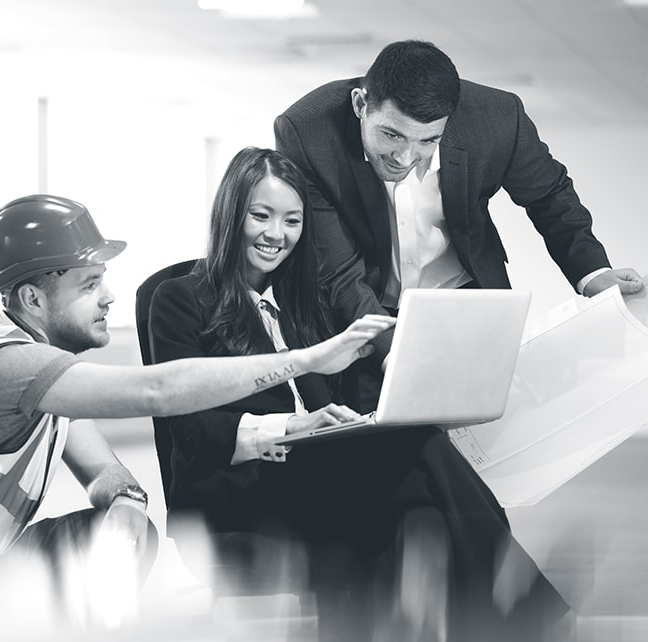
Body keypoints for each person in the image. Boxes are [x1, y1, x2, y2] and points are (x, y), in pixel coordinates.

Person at [0, 194, 394, 639]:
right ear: (32, 299)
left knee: (125, 531)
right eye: (89, 284)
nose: (109, 297)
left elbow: (105, 472)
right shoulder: (9, 367)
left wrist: (126, 503)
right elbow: (154, 392)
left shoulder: (42, 375)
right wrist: (308, 359)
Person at [148, 148, 571, 642]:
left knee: (419, 497)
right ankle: (530, 614)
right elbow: (192, 431)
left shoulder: (304, 304)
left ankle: (503, 617)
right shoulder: (179, 300)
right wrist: (289, 427)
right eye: (259, 216)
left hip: (317, 475)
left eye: (291, 220)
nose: (275, 235)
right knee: (418, 468)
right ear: (230, 214)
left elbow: (348, 399)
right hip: (239, 488)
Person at [274, 39, 643, 409]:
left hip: (467, 301)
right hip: (367, 314)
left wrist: (594, 273)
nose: (405, 157)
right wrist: (396, 356)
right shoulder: (307, 132)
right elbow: (338, 274)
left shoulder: (497, 118)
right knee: (382, 442)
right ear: (360, 105)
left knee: (485, 434)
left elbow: (549, 196)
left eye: (428, 141)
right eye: (391, 135)